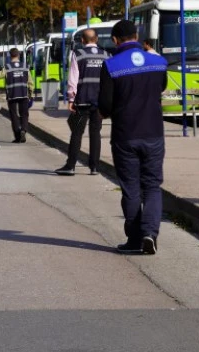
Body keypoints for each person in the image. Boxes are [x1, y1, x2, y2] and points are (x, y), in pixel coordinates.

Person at [98, 19, 168, 255]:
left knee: (130, 189)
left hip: (125, 136)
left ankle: (135, 238)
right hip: (154, 134)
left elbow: (105, 106)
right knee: (153, 186)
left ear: (116, 40)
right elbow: (161, 88)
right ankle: (150, 233)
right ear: (137, 35)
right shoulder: (159, 62)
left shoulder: (111, 66)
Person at [56, 29, 109, 175]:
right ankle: (94, 167)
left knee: (77, 133)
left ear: (83, 41)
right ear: (96, 39)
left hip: (82, 100)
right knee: (95, 134)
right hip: (99, 102)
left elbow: (73, 79)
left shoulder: (78, 55)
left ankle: (70, 166)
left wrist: (71, 99)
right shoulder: (106, 55)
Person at [0, 48, 33, 143]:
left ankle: (18, 136)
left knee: (14, 115)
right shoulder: (25, 66)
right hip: (24, 94)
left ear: (10, 56)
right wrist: (30, 94)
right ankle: (23, 130)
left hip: (12, 95)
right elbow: (30, 82)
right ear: (19, 55)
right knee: (24, 114)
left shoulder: (7, 67)